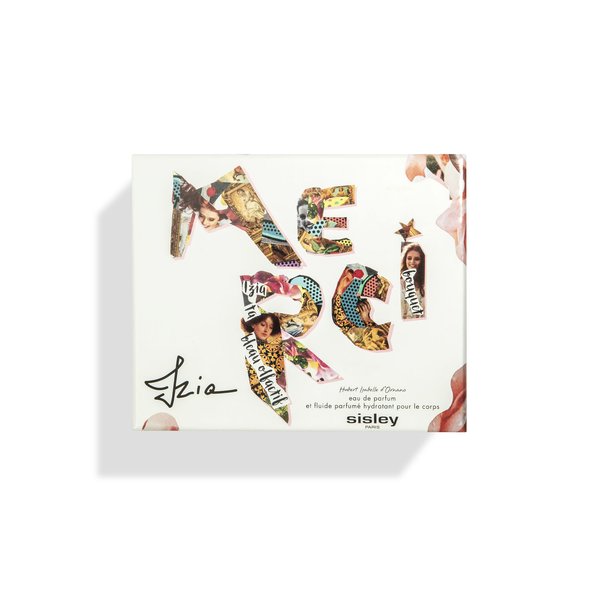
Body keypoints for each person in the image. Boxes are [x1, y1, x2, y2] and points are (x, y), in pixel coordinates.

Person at [400, 243, 426, 319]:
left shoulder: (427, 284)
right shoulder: (398, 284)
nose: (412, 262)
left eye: (417, 259)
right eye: (409, 258)